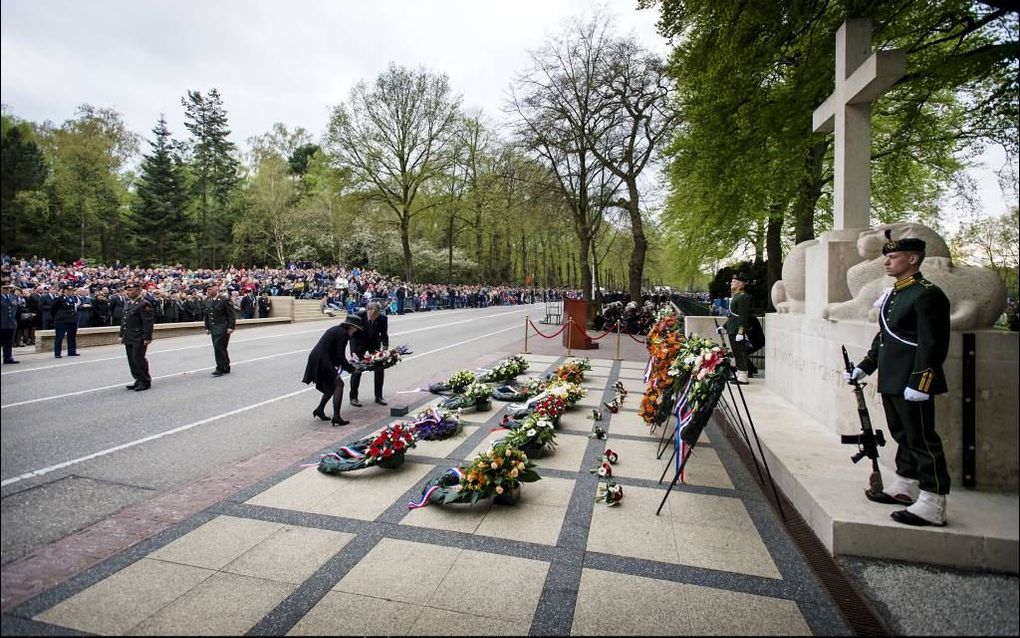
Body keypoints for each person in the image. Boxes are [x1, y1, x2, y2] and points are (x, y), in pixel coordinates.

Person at [846, 232, 952, 527]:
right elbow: (885, 338)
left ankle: (933, 499)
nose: (886, 263)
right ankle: (906, 485)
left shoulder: (927, 294)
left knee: (922, 439)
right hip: (893, 376)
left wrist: (921, 382)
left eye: (892, 258)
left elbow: (933, 344)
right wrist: (865, 367)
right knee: (902, 434)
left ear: (913, 259)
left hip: (913, 379)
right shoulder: (896, 293)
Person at [302, 314, 364, 426]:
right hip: (322, 360)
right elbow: (340, 356)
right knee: (339, 384)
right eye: (356, 329)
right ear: (351, 326)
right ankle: (336, 416)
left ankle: (320, 409)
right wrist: (351, 369)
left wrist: (345, 365)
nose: (356, 331)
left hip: (318, 357)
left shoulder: (336, 329)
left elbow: (335, 354)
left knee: (331, 387)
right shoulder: (343, 334)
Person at [349, 301, 389, 407]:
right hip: (359, 343)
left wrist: (385, 347)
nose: (373, 318)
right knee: (357, 369)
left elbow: (384, 334)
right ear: (367, 310)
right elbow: (352, 336)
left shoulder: (383, 318)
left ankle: (379, 396)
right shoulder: (358, 316)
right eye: (371, 316)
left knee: (379, 368)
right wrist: (353, 352)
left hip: (374, 344)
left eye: (375, 317)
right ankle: (353, 397)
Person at [120, 281, 154, 391]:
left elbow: (147, 322)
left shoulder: (144, 303)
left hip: (139, 336)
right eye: (127, 290)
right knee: (131, 360)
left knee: (138, 358)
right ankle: (138, 379)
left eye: (131, 290)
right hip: (129, 336)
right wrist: (121, 334)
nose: (128, 292)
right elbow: (124, 320)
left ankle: (145, 381)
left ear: (138, 291)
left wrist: (147, 337)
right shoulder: (128, 303)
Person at [720, 272, 751, 384]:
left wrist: (741, 332)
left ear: (741, 284)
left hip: (738, 330)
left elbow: (743, 316)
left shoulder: (744, 297)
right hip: (732, 329)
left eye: (734, 281)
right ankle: (739, 373)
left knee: (741, 352)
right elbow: (732, 315)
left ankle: (743, 376)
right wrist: (723, 327)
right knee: (736, 352)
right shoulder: (737, 296)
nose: (731, 283)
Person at [203, 283, 236, 376]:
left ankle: (220, 368)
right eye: (208, 289)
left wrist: (231, 327)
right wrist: (207, 327)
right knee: (221, 348)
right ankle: (226, 366)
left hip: (223, 327)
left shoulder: (224, 300)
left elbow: (231, 314)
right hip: (214, 328)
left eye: (211, 288)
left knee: (218, 347)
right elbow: (207, 315)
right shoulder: (206, 301)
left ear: (216, 289)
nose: (209, 291)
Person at [52, 284, 80, 358]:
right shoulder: (60, 299)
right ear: (65, 291)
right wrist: (57, 318)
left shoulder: (73, 298)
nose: (71, 292)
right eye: (68, 290)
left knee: (72, 336)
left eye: (71, 290)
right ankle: (57, 353)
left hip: (72, 320)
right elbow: (53, 309)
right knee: (59, 337)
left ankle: (72, 351)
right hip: (62, 320)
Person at [1, 283, 20, 364]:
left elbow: (15, 310)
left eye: (8, 288)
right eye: (4, 288)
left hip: (10, 323)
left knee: (8, 342)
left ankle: (8, 357)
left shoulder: (13, 297)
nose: (7, 289)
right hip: (1, 323)